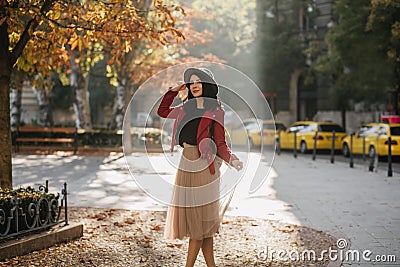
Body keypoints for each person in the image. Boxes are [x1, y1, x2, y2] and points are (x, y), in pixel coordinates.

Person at [157, 67, 243, 267]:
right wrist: (173, 91)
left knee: (201, 224)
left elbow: (221, 143)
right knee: (203, 226)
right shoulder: (184, 108)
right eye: (191, 82)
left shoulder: (216, 111)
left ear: (206, 85)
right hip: (186, 164)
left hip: (206, 166)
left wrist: (233, 160)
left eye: (198, 81)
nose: (194, 85)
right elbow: (162, 112)